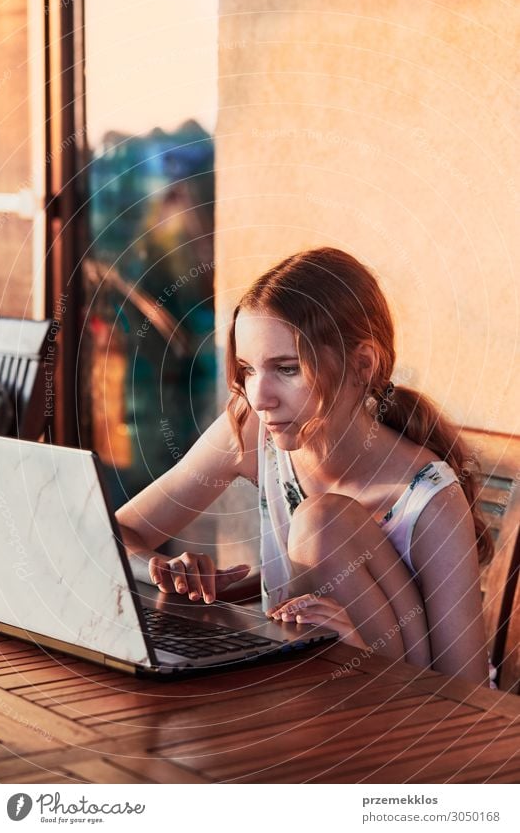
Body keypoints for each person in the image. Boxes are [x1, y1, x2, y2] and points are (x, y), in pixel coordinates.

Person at [117, 247, 493, 687]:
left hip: (401, 715)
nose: (260, 397)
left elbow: (465, 697)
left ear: (363, 365)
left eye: (287, 369)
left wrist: (360, 653)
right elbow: (118, 533)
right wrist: (161, 569)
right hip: (297, 698)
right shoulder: (251, 429)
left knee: (321, 522)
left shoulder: (428, 497)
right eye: (248, 370)